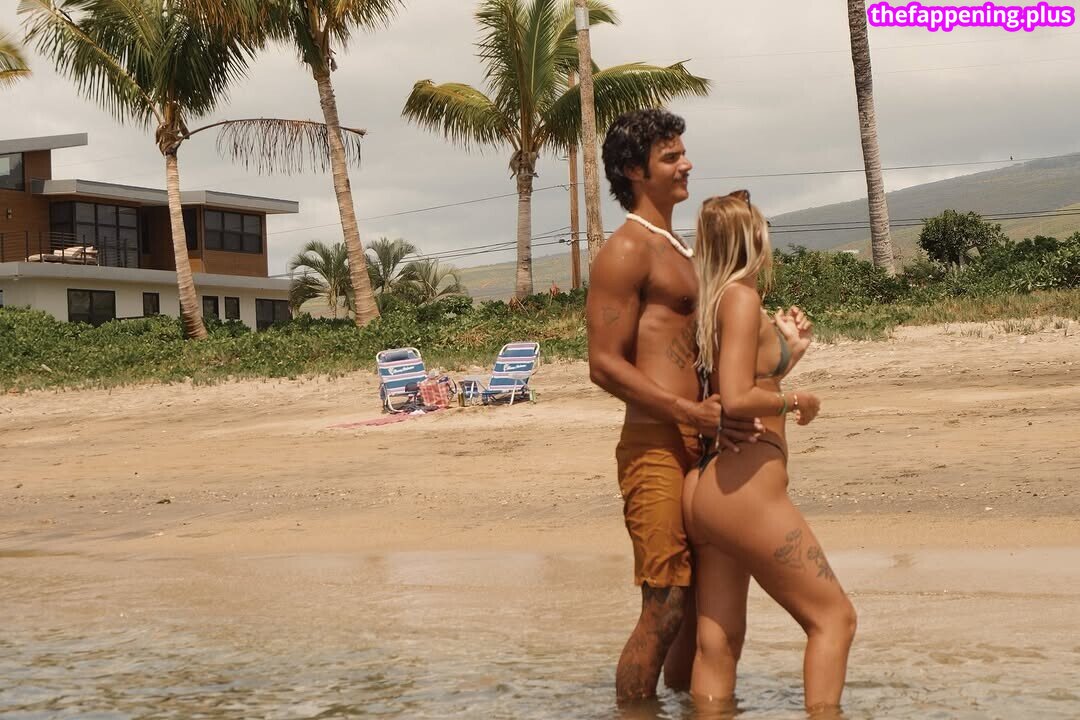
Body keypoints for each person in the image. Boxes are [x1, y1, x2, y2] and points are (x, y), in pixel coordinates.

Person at [586, 109, 760, 703]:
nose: (686, 164)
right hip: (656, 445)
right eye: (670, 157)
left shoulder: (680, 250)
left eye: (682, 152)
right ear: (634, 171)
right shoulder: (626, 250)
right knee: (664, 604)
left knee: (702, 603)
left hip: (702, 443)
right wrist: (687, 413)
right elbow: (603, 364)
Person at [683, 190, 857, 713]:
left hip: (709, 492)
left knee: (718, 644)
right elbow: (739, 397)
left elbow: (745, 381)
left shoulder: (715, 301)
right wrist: (798, 399)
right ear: (752, 237)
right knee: (834, 620)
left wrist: (787, 354)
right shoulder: (741, 299)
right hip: (747, 492)